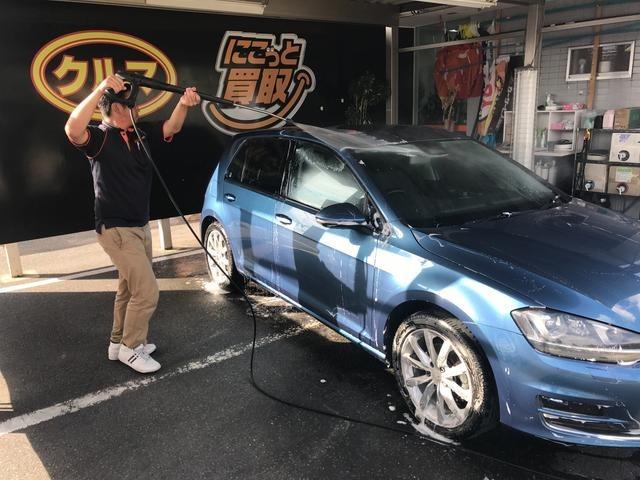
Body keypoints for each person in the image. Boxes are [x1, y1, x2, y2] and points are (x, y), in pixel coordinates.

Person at [64, 74, 201, 373]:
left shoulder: (141, 133)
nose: (137, 109)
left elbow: (172, 127)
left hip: (140, 226)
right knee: (147, 291)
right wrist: (99, 89)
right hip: (116, 229)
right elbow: (72, 129)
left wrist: (183, 104)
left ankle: (118, 343)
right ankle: (131, 347)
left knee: (128, 289)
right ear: (115, 108)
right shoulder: (99, 138)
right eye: (132, 105)